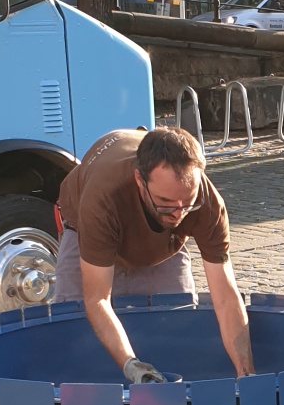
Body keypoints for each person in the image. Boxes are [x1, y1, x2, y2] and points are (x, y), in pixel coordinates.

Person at [56, 126, 254, 382]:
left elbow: (226, 296)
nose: (178, 213)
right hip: (87, 231)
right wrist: (131, 365)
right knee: (76, 337)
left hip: (162, 247)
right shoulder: (102, 198)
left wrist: (246, 374)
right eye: (165, 201)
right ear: (140, 180)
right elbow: (97, 300)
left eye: (187, 202)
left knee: (176, 329)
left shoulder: (207, 204)